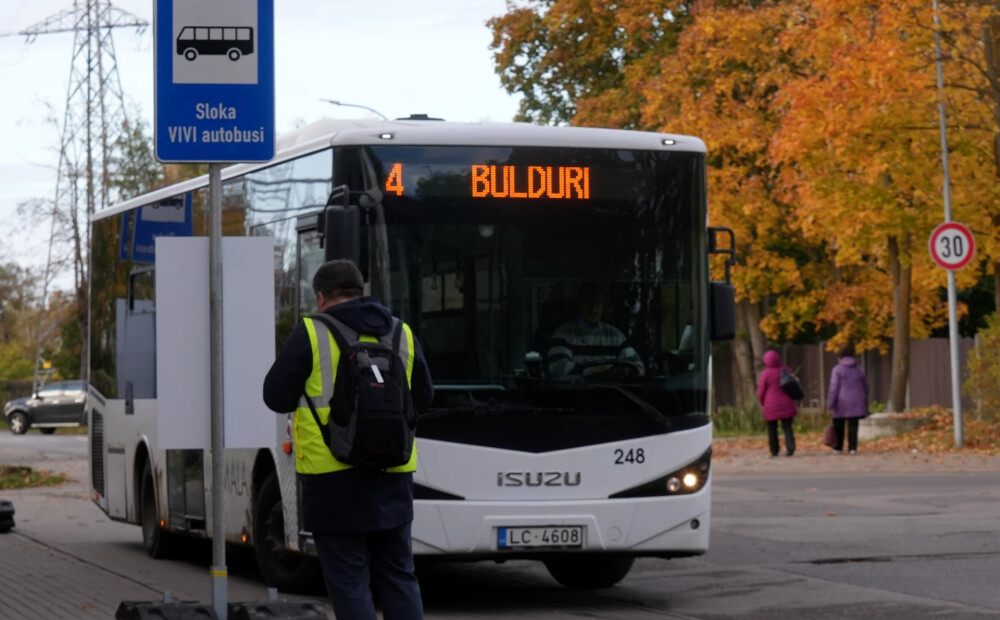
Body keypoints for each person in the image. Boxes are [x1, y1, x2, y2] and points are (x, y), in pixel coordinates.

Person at [263, 259, 433, 620]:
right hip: (394, 473)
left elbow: (275, 396)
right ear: (360, 291)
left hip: (332, 478)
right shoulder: (401, 332)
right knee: (399, 576)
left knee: (349, 580)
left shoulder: (311, 331)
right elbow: (426, 397)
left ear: (321, 296)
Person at [545, 283, 644, 378]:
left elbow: (638, 366)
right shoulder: (563, 334)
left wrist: (624, 371)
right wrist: (594, 370)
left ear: (603, 306)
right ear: (578, 304)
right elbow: (556, 367)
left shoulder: (615, 335)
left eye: (597, 303)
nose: (593, 309)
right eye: (588, 304)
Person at [826, 345, 869, 455]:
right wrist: (864, 397)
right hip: (856, 401)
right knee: (854, 425)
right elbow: (866, 386)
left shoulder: (837, 369)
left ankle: (838, 447)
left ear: (840, 357)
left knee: (839, 425)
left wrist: (829, 404)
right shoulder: (859, 369)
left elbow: (833, 388)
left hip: (841, 402)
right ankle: (852, 448)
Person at [757, 350, 797, 457]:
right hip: (787, 403)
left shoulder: (765, 374)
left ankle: (774, 450)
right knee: (787, 427)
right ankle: (790, 447)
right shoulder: (786, 370)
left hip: (771, 405)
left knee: (772, 428)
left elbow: (761, 391)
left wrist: (762, 403)